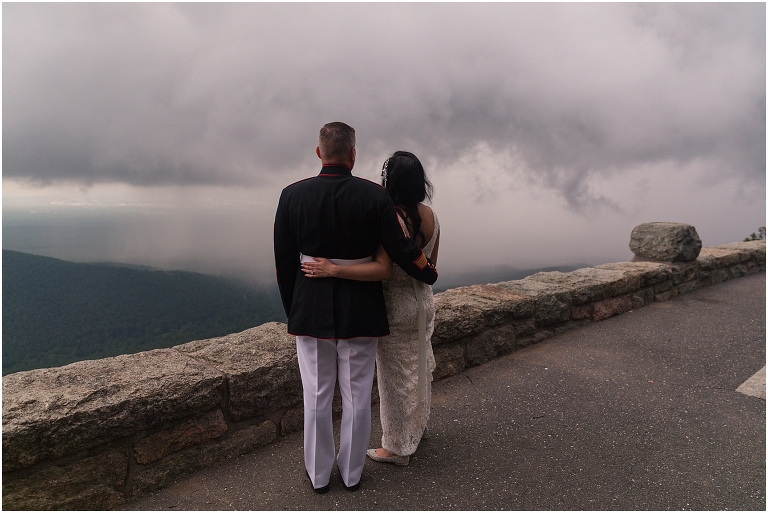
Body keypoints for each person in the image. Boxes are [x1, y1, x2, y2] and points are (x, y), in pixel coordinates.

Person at [274, 124, 438, 494]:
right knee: (357, 395)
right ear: (353, 154)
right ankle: (351, 473)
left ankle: (318, 475)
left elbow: (284, 264)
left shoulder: (291, 195)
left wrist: (293, 308)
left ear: (319, 152)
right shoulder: (374, 195)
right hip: (361, 307)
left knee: (316, 395)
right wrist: (427, 272)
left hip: (311, 305)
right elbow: (400, 247)